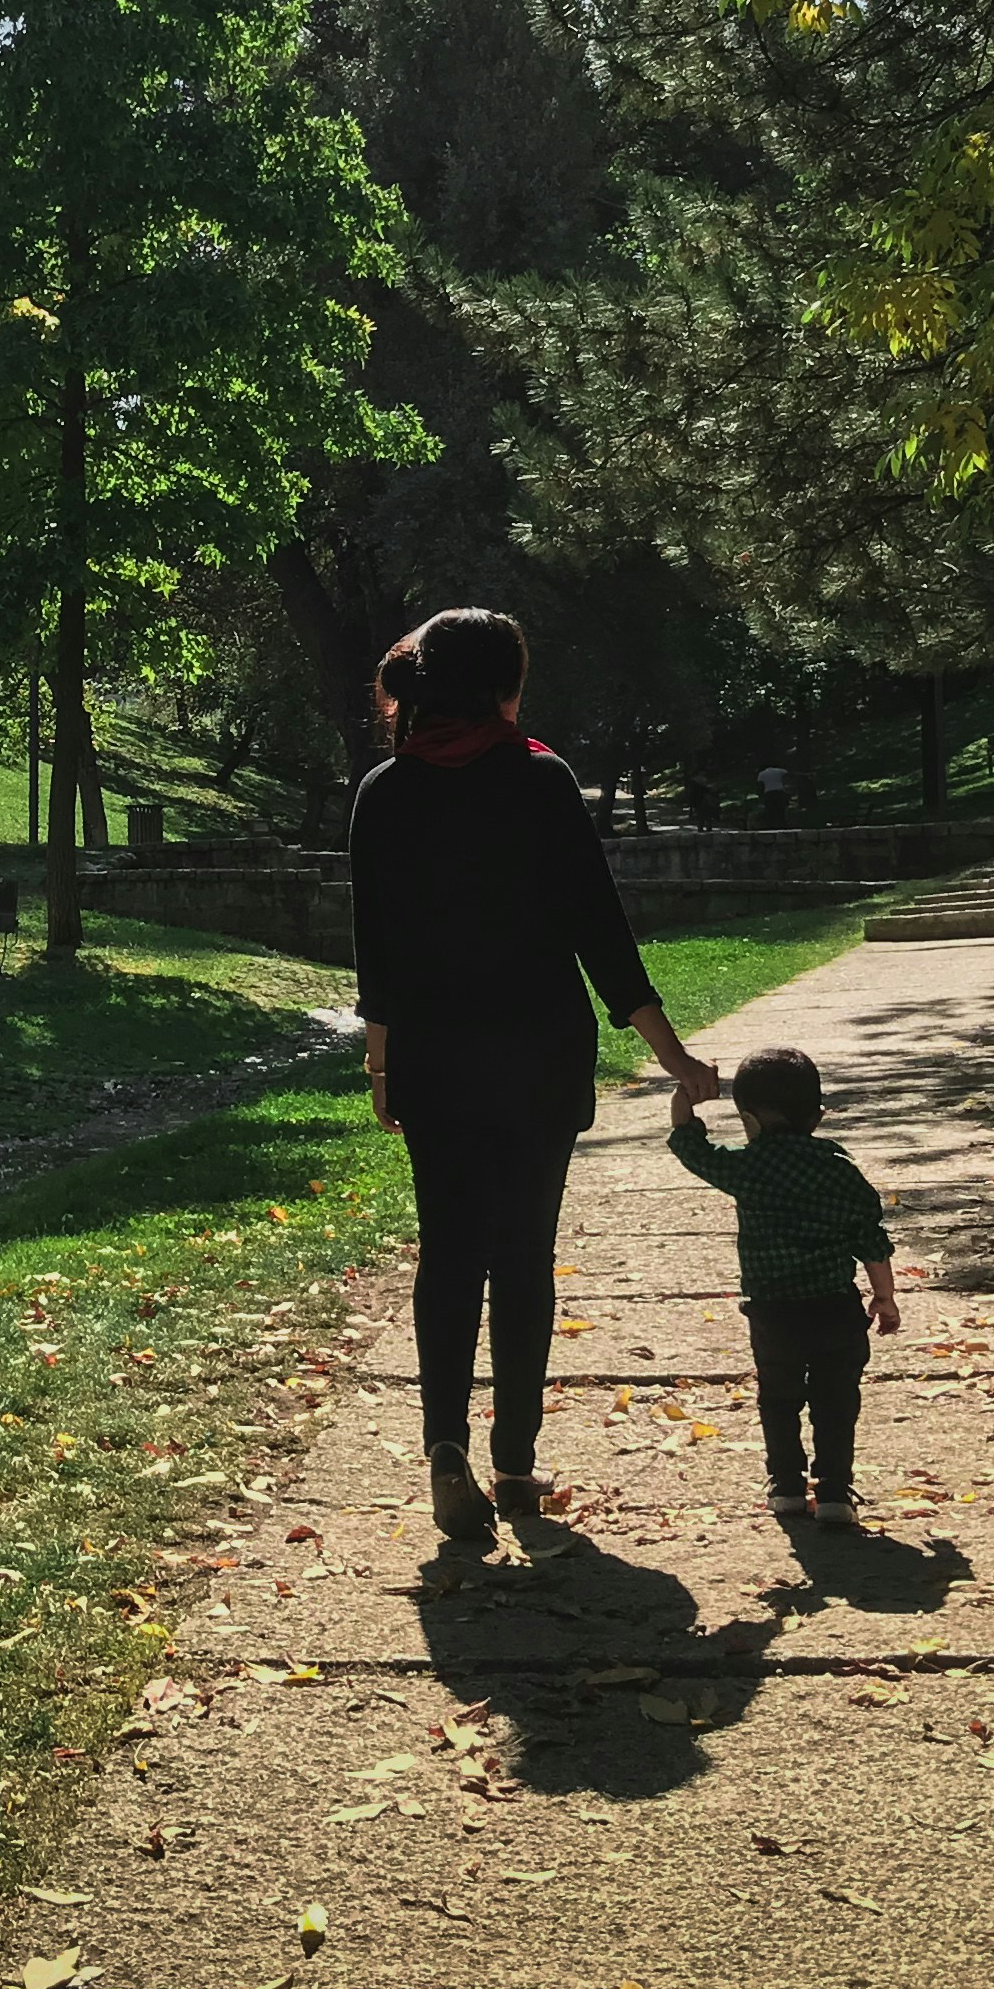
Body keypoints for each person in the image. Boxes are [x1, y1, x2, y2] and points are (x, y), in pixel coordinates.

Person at [353, 606, 721, 1557]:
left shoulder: (383, 793)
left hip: (433, 1056)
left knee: (448, 1252)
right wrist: (671, 1053)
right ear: (502, 688)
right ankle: (514, 1463)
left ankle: (444, 1446)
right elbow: (600, 928)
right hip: (537, 1055)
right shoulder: (541, 778)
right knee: (522, 1256)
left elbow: (376, 952)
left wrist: (382, 1066)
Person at [665, 1044, 899, 1525]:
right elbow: (872, 1243)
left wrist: (684, 1095)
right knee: (837, 1401)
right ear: (817, 1116)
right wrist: (885, 1297)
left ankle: (787, 1486)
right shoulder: (841, 1171)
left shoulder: (746, 1167)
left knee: (778, 1396)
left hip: (772, 1312)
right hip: (836, 1307)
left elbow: (690, 1145)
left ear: (748, 1119)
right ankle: (834, 1491)